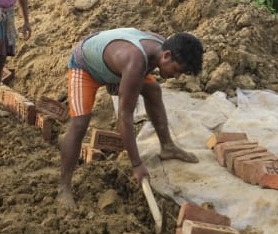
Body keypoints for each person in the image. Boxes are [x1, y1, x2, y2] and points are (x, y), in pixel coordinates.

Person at [57, 28, 204, 208]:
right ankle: (64, 187)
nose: (176, 77)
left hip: (115, 62)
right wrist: (137, 164)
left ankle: (168, 147)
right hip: (85, 65)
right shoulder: (136, 62)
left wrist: (118, 79)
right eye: (176, 70)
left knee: (153, 90)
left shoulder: (160, 47)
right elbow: (124, 116)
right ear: (166, 56)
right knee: (80, 124)